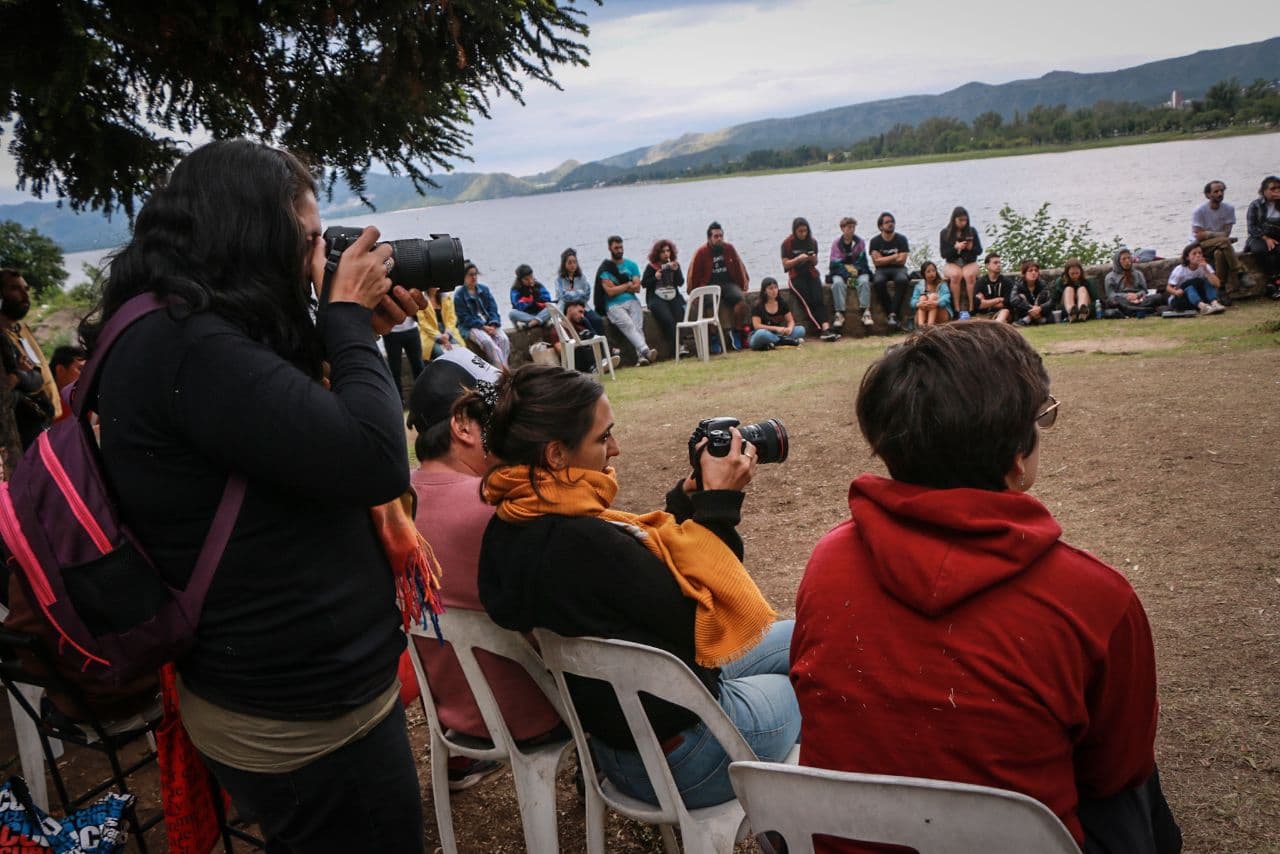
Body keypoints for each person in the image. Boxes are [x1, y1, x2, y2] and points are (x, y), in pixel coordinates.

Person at [84, 139, 429, 851]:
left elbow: (275, 417)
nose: (317, 260)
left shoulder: (169, 326)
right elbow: (374, 460)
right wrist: (346, 322)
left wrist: (348, 335)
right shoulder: (192, 347)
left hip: (261, 688)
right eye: (307, 242)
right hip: (304, 711)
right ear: (252, 235)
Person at [792, 322, 1180, 854]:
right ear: (1017, 455)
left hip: (851, 837)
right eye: (1042, 418)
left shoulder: (829, 561)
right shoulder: (1093, 599)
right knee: (1136, 785)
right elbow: (1117, 769)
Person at [477, 365, 799, 810]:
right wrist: (719, 505)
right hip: (687, 755)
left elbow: (635, 584)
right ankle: (813, 814)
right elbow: (700, 618)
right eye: (603, 437)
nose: (615, 448)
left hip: (624, 735)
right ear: (556, 454)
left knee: (805, 638)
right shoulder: (581, 542)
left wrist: (686, 502)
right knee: (814, 677)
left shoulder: (515, 523)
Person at [406, 349, 561, 791]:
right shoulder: (502, 505)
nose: (516, 429)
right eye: (503, 416)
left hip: (455, 713)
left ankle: (462, 760)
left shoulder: (393, 502)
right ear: (463, 425)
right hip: (536, 713)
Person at [0, 269, 60, 443]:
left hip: (47, 420)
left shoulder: (22, 328)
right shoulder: (3, 338)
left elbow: (37, 373)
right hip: (22, 431)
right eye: (15, 289)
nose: (25, 295)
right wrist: (20, 375)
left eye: (25, 289)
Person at [593, 236, 658, 366]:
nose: (619, 250)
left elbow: (637, 288)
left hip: (632, 301)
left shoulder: (631, 265)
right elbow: (610, 292)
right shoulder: (605, 269)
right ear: (610, 248)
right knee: (628, 325)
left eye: (621, 247)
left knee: (637, 326)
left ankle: (642, 357)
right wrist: (627, 285)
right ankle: (645, 351)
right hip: (613, 304)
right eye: (616, 248)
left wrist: (618, 287)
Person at [688, 222, 751, 350]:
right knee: (710, 305)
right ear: (709, 238)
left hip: (728, 284)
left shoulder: (729, 249)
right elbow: (693, 274)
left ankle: (736, 332)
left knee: (741, 303)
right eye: (716, 236)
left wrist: (743, 286)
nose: (719, 238)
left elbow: (739, 267)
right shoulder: (701, 253)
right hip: (708, 286)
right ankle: (713, 337)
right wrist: (693, 293)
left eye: (721, 236)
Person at [782, 217, 838, 342]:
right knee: (808, 302)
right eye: (800, 231)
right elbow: (785, 264)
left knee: (818, 300)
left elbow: (815, 261)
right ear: (795, 231)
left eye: (805, 231)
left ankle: (826, 328)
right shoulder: (787, 243)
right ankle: (820, 329)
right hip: (796, 276)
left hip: (811, 274)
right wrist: (798, 259)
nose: (803, 234)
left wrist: (812, 258)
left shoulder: (812, 242)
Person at [1191, 180, 1250, 299]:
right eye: (1216, 191)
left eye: (1222, 191)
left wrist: (1209, 234)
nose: (1220, 194)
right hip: (1200, 245)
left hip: (1220, 244)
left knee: (1219, 253)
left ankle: (1221, 289)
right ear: (1208, 194)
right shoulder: (1199, 211)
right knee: (1224, 241)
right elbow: (1199, 236)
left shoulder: (1229, 209)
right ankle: (1240, 272)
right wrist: (1216, 235)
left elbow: (1226, 233)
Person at [454, 262, 512, 367]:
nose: (474, 277)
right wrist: (483, 327)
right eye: (471, 275)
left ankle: (502, 369)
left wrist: (493, 324)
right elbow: (464, 318)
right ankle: (502, 371)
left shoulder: (484, 290)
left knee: (504, 340)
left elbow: (493, 309)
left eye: (475, 274)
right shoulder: (459, 295)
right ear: (464, 277)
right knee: (487, 342)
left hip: (489, 323)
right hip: (471, 326)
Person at [545, 298, 621, 374]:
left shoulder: (579, 327)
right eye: (580, 312)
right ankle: (597, 365)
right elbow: (561, 351)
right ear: (570, 309)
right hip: (574, 360)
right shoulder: (558, 328)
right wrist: (577, 342)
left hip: (587, 357)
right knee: (581, 345)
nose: (582, 316)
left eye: (583, 313)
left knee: (591, 337)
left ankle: (601, 362)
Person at [640, 239, 688, 356]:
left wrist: (676, 271)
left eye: (668, 251)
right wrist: (655, 277)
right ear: (657, 253)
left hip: (673, 295)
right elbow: (644, 283)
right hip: (656, 297)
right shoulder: (651, 267)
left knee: (679, 314)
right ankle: (678, 346)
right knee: (667, 319)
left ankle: (681, 345)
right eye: (663, 251)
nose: (666, 254)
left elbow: (680, 282)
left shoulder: (674, 265)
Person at [869, 212, 912, 331]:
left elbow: (902, 261)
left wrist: (883, 259)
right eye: (887, 222)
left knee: (902, 280)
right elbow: (877, 262)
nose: (890, 224)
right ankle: (892, 314)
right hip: (881, 270)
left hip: (899, 269)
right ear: (880, 226)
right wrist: (894, 257)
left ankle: (892, 314)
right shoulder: (875, 241)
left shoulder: (901, 239)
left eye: (892, 221)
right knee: (878, 282)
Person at [828, 217, 873, 330]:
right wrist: (848, 274)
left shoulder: (860, 242)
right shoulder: (836, 244)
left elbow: (862, 262)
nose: (851, 230)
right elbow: (835, 264)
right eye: (849, 227)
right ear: (842, 228)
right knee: (837, 284)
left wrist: (855, 271)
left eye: (853, 227)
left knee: (864, 282)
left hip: (858, 271)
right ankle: (840, 313)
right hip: (841, 272)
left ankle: (866, 312)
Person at [939, 206, 983, 318]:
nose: (963, 223)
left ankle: (972, 307)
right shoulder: (945, 233)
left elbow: (979, 250)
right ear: (954, 219)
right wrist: (956, 248)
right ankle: (956, 308)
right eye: (960, 220)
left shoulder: (971, 231)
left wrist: (970, 248)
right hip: (952, 262)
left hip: (969, 262)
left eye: (965, 220)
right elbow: (944, 254)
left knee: (969, 275)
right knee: (955, 275)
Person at [1166, 242, 1227, 316]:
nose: (1198, 255)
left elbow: (1217, 284)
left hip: (1198, 296)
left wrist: (1206, 270)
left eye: (1200, 253)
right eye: (1194, 254)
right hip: (1181, 298)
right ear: (1187, 257)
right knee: (1190, 286)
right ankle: (1203, 307)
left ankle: (1215, 303)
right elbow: (1168, 288)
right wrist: (1176, 292)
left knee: (1206, 283)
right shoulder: (1180, 269)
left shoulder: (1205, 266)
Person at [555, 248, 606, 335]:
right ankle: (592, 338)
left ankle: (601, 341)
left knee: (597, 320)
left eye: (574, 262)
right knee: (583, 321)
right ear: (564, 264)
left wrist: (572, 292)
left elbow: (586, 295)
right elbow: (564, 296)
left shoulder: (582, 278)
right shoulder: (559, 280)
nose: (573, 265)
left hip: (582, 306)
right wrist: (579, 292)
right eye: (569, 263)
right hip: (567, 309)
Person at [1245, 175, 1280, 297]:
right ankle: (1272, 282)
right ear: (1264, 191)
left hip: (1277, 235)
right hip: (1259, 237)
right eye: (1273, 189)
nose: (1276, 191)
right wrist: (1266, 238)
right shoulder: (1256, 205)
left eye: (1279, 188)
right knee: (1262, 251)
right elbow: (1251, 227)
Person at [1103, 248, 1162, 319]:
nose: (1127, 261)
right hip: (1123, 300)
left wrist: (1137, 296)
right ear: (1118, 261)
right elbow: (1111, 294)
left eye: (1129, 258)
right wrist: (1126, 296)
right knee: (1112, 301)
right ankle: (1145, 310)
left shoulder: (1138, 274)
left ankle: (1133, 311)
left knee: (1158, 297)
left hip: (1139, 300)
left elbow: (1144, 290)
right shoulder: (1110, 277)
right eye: (1124, 259)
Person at [750, 277, 805, 350]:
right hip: (763, 334)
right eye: (770, 288)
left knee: (801, 329)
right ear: (764, 291)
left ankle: (777, 342)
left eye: (776, 287)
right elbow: (757, 326)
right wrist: (776, 328)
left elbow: (790, 321)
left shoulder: (782, 303)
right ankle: (786, 341)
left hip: (778, 334)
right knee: (761, 334)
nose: (774, 291)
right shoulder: (758, 305)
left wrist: (790, 328)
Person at [382, 313, 426, 396]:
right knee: (394, 369)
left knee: (418, 365)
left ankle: (422, 395)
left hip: (412, 329)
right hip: (391, 333)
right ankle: (398, 398)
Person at [416, 286, 465, 360]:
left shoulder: (446, 297)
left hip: (447, 332)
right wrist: (439, 336)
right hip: (430, 335)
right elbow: (423, 323)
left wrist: (447, 334)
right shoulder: (421, 300)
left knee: (460, 351)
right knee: (443, 354)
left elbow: (452, 318)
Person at [972, 252, 1014, 324]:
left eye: (999, 263)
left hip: (1000, 313)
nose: (998, 265)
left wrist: (986, 303)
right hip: (983, 314)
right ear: (987, 265)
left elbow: (1007, 303)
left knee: (1005, 311)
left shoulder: (1007, 282)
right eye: (995, 263)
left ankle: (996, 324)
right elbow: (978, 304)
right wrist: (998, 299)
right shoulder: (980, 282)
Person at [508, 264, 553, 329]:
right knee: (512, 313)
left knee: (552, 308)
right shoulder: (515, 289)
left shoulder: (538, 285)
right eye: (526, 279)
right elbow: (518, 305)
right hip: (526, 314)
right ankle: (540, 321)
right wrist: (529, 302)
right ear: (520, 280)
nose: (530, 280)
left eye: (531, 277)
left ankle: (533, 322)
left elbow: (547, 299)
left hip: (539, 312)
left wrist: (536, 295)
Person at [909, 261, 952, 329]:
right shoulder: (919, 285)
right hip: (924, 314)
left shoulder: (941, 284)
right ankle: (921, 327)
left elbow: (947, 297)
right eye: (928, 272)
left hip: (941, 314)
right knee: (922, 298)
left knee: (933, 296)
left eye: (933, 271)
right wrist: (919, 304)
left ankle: (930, 326)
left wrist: (937, 303)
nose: (932, 273)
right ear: (923, 274)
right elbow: (913, 300)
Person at [1011, 259, 1055, 326]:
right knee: (1021, 296)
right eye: (1030, 270)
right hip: (1025, 312)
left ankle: (1027, 320)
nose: (1034, 272)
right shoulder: (1018, 285)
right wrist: (1031, 308)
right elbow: (1013, 300)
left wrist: (1040, 308)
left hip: (1041, 312)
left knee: (1044, 295)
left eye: (1036, 270)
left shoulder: (1042, 284)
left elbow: (1052, 300)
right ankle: (1035, 319)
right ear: (1024, 273)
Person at [1055, 258, 1094, 323]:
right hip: (1066, 308)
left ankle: (1082, 311)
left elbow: (1096, 300)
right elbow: (1055, 301)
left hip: (1086, 307)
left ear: (1081, 272)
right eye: (1072, 274)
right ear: (1067, 273)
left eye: (1077, 273)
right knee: (1069, 289)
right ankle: (1072, 312)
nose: (1075, 276)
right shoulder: (1060, 281)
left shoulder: (1087, 281)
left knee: (1082, 289)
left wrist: (1089, 308)